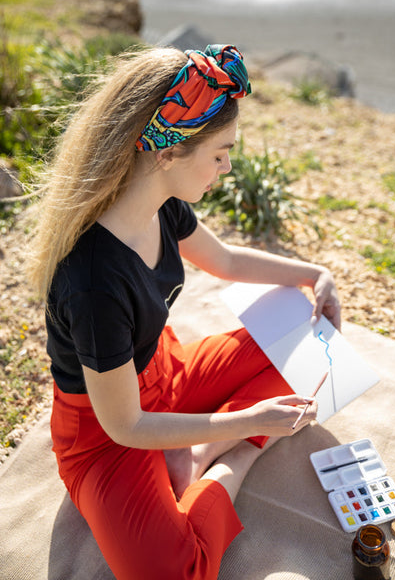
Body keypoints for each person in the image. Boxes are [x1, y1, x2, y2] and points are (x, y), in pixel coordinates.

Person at [27, 44, 341, 580]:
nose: (227, 166)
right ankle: (231, 455)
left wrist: (312, 275)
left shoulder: (162, 204)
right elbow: (125, 424)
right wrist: (250, 425)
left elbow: (225, 259)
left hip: (163, 371)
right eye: (219, 153)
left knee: (313, 341)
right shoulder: (93, 280)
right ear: (166, 153)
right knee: (176, 573)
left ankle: (193, 455)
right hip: (106, 434)